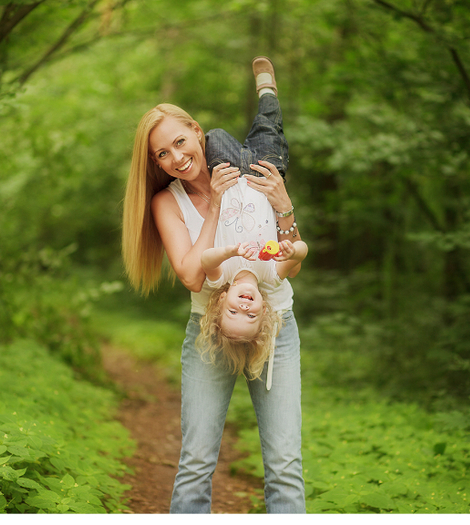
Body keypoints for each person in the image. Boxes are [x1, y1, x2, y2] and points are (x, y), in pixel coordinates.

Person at [122, 56, 305, 513]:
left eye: (179, 142)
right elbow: (189, 273)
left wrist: (284, 206)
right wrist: (217, 205)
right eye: (162, 154)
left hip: (275, 326)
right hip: (209, 332)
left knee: (284, 463)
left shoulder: (250, 176)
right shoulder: (168, 201)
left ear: (197, 132)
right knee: (197, 459)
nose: (176, 158)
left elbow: (292, 262)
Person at [197, 170, 308, 383]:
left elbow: (205, 260)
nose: (244, 309)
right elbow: (302, 250)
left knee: (219, 135)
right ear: (264, 310)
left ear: (221, 300)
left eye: (232, 312)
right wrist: (293, 252)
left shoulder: (222, 277)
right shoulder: (271, 274)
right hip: (260, 173)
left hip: (228, 174)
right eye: (250, 317)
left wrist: (230, 252)